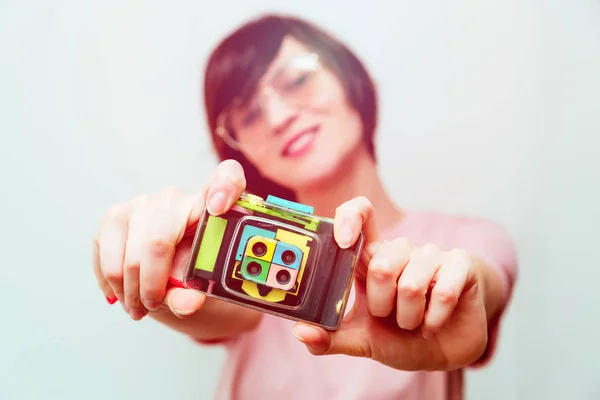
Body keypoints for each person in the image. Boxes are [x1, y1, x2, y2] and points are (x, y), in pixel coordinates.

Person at [92, 14, 517, 400]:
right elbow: (219, 309)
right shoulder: (230, 256)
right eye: (249, 114)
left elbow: (479, 285)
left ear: (348, 78)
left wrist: (453, 291)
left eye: (296, 80)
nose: (278, 117)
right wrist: (170, 259)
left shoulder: (470, 241)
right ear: (242, 150)